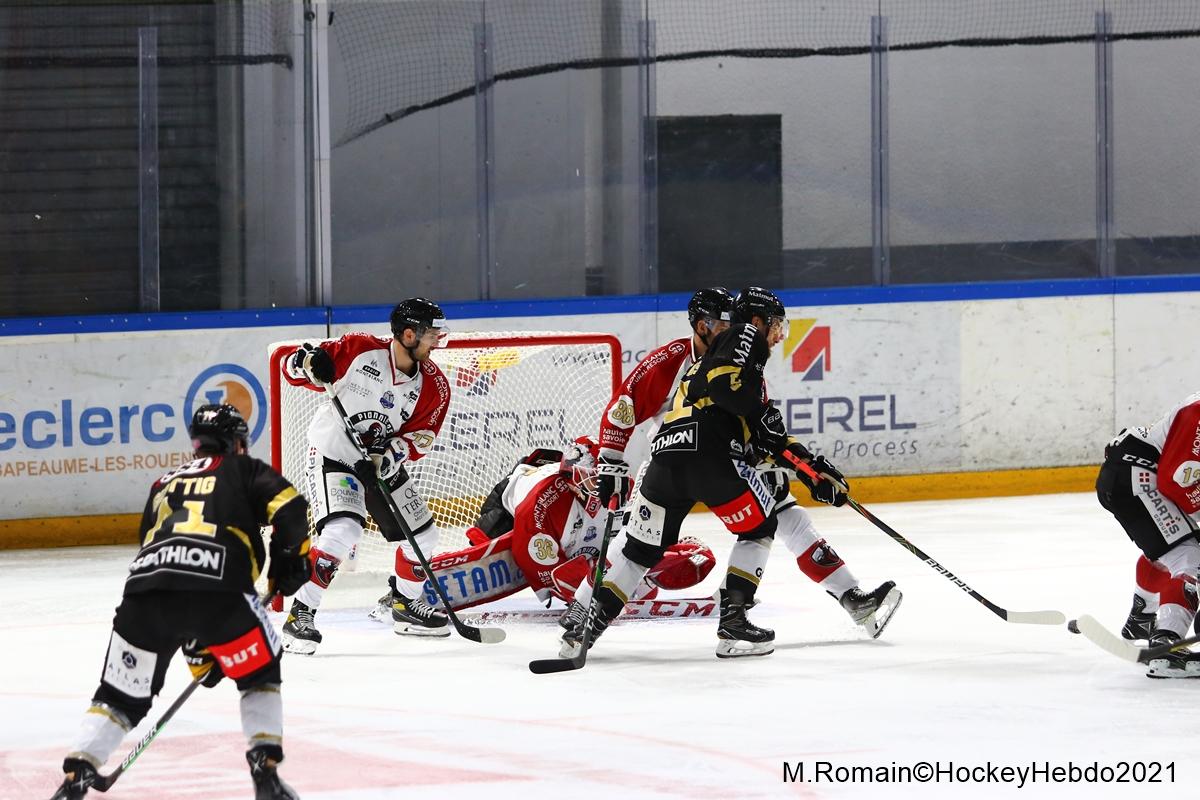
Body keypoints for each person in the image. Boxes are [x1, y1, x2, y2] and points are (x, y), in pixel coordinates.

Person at [561, 287, 900, 659]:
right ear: (702, 325)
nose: (729, 328)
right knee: (648, 539)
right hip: (696, 457)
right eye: (722, 322)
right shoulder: (682, 356)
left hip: (686, 460)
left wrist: (805, 468)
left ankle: (852, 597)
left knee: (783, 508)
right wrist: (610, 459)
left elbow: (761, 431)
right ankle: (586, 607)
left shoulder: (737, 362)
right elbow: (625, 404)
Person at [48, 404, 312, 800]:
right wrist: (291, 561)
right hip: (221, 591)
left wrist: (197, 647)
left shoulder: (162, 482)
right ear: (236, 443)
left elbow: (155, 549)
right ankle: (266, 776)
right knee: (259, 673)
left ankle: (78, 776)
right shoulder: (244, 469)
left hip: (144, 595)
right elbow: (291, 508)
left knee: (118, 697)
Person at [279, 298, 452, 652]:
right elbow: (290, 367)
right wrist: (306, 362)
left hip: (378, 463)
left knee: (424, 536)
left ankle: (403, 605)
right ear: (408, 335)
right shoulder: (359, 351)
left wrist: (385, 459)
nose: (437, 341)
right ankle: (300, 616)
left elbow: (420, 439)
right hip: (334, 454)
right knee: (344, 530)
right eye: (431, 334)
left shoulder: (435, 387)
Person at [369, 438, 714, 615]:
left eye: (600, 477)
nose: (595, 485)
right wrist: (585, 589)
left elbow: (640, 540)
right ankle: (402, 592)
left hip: (564, 524)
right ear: (572, 476)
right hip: (508, 508)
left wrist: (651, 567)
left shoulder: (622, 488)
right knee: (488, 558)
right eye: (588, 477)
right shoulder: (542, 501)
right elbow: (545, 569)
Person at [1096, 394, 1200, 678]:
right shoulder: (1198, 414)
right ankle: (1168, 646)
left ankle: (1141, 618)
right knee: (1189, 557)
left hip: (1133, 473)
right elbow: (1174, 482)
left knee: (1168, 549)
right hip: (1139, 478)